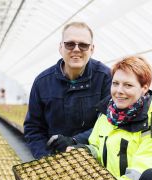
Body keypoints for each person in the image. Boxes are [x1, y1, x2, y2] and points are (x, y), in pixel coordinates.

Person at [24, 22, 112, 159]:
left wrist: (76, 141)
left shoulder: (106, 78)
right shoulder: (42, 82)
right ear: (60, 47)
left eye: (83, 45)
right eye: (70, 44)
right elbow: (33, 128)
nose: (76, 49)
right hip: (54, 158)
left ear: (92, 49)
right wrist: (45, 159)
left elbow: (110, 122)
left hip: (94, 158)